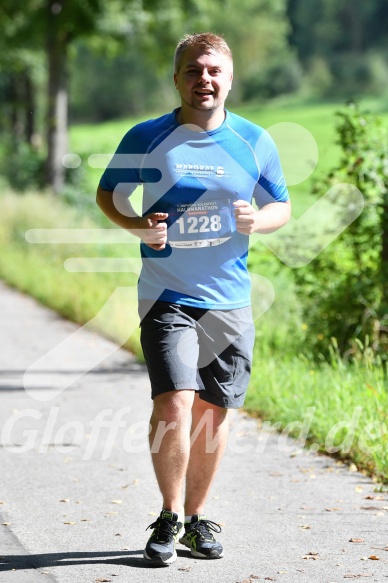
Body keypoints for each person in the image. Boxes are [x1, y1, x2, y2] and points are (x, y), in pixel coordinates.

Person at [96, 32, 291, 566]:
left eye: (213, 71)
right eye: (192, 70)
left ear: (229, 79)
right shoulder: (148, 136)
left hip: (228, 298)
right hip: (167, 293)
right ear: (177, 77)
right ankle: (169, 514)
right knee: (174, 400)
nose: (203, 79)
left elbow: (282, 206)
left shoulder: (254, 141)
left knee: (213, 412)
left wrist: (260, 219)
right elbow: (108, 192)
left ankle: (199, 518)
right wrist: (138, 225)